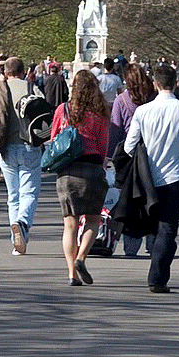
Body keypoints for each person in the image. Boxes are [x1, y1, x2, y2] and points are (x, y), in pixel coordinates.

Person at [123, 64, 179, 293]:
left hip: (149, 176)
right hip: (175, 177)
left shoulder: (143, 111)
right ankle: (158, 277)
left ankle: (156, 268)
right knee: (168, 227)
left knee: (155, 225)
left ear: (155, 84)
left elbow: (129, 147)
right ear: (176, 83)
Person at [49, 69, 109, 286]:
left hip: (67, 170)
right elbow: (103, 146)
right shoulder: (100, 113)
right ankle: (82, 257)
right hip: (92, 168)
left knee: (69, 225)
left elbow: (54, 138)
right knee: (93, 220)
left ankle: (71, 273)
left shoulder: (63, 110)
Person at [0, 57, 44, 255]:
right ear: (22, 72)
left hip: (8, 147)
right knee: (29, 193)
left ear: (6, 72)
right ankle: (23, 224)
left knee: (13, 196)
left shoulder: (0, 89)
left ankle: (17, 242)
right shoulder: (31, 88)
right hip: (29, 145)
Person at [109, 62, 156, 257]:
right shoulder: (153, 98)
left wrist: (110, 157)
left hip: (130, 155)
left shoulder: (122, 101)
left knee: (131, 201)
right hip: (153, 153)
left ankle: (131, 247)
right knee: (153, 199)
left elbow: (115, 130)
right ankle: (153, 243)